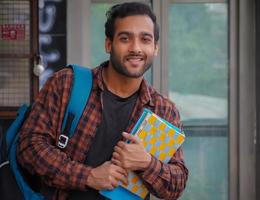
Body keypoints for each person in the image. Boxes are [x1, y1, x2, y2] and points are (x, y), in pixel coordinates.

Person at [17, 2, 188, 200]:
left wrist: (147, 163)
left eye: (145, 39)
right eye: (125, 38)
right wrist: (88, 176)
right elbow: (29, 146)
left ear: (155, 48)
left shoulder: (163, 110)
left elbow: (177, 184)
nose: (136, 48)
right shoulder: (68, 84)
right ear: (109, 44)